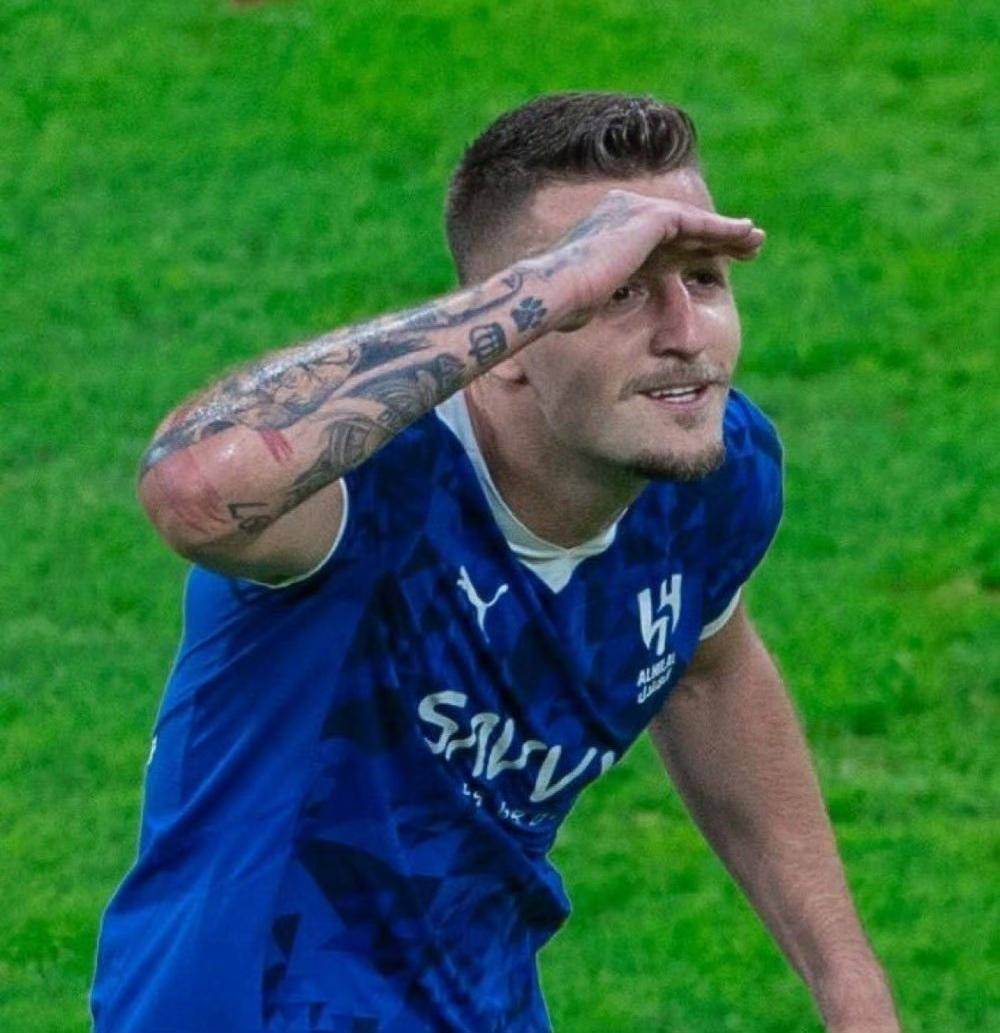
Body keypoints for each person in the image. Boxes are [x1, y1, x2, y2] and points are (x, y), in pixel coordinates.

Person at [91, 92, 899, 1033]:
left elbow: (711, 671)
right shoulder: (370, 482)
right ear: (511, 335)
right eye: (621, 290)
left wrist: (851, 988)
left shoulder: (709, 476)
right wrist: (547, 286)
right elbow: (192, 490)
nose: (686, 332)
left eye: (705, 279)